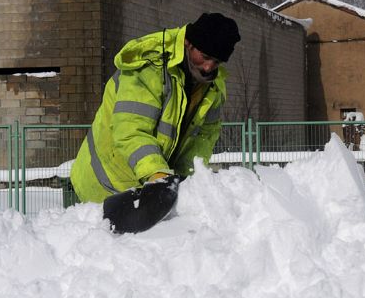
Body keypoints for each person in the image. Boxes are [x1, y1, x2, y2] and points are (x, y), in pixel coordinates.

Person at [70, 13, 241, 203]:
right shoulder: (149, 67)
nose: (209, 67)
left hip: (150, 190)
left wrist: (186, 181)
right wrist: (157, 175)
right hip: (105, 185)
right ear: (187, 42)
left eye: (216, 61)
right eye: (205, 56)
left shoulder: (213, 87)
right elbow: (131, 131)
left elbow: (203, 140)